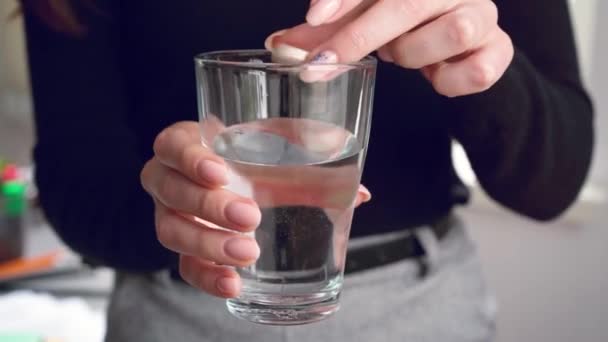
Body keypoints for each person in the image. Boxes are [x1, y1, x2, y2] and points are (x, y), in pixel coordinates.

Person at [20, 0, 593, 341]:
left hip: (416, 311)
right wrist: (170, 201)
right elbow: (77, 181)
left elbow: (554, 181)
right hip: (173, 314)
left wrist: (477, 62)